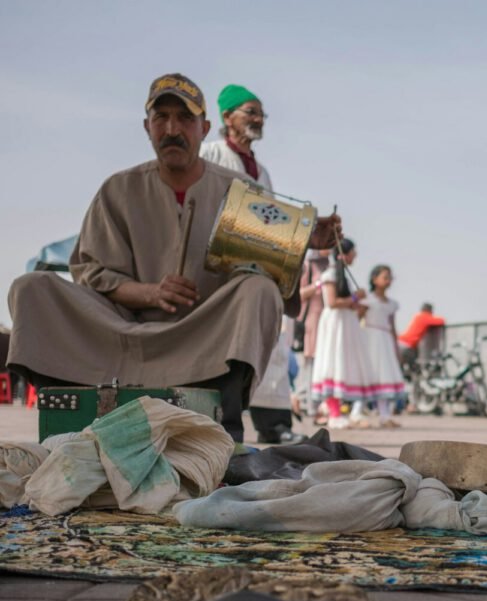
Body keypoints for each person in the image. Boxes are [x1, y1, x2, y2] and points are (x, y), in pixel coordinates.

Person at [5, 73, 338, 444]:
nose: (171, 129)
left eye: (185, 119)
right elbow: (91, 272)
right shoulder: (119, 189)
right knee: (31, 288)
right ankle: (74, 412)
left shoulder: (241, 191)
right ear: (147, 127)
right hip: (120, 331)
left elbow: (273, 270)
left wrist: (304, 241)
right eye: (161, 118)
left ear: (204, 128)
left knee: (258, 288)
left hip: (203, 335)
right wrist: (149, 293)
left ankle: (222, 420)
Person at [200, 83, 297, 444]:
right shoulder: (209, 155)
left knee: (272, 344)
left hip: (257, 268)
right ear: (227, 117)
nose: (257, 119)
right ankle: (221, 426)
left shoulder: (263, 172)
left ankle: (274, 425)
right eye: (250, 112)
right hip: (219, 271)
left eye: (260, 113)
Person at [310, 238, 371, 429]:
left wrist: (357, 304)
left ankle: (340, 411)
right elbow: (333, 302)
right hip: (335, 324)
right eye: (353, 252)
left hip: (346, 324)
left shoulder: (343, 276)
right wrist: (355, 297)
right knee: (333, 364)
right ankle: (333, 413)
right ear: (343, 255)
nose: (355, 255)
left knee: (343, 365)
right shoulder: (330, 274)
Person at [361, 264, 406, 428]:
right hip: (370, 339)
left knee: (384, 376)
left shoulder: (392, 304)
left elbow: (393, 326)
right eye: (385, 277)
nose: (388, 281)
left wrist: (396, 347)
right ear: (375, 279)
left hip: (385, 340)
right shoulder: (367, 300)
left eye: (390, 277)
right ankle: (356, 411)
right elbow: (357, 318)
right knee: (368, 375)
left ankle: (384, 415)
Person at [294, 248, 333, 422]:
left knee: (320, 363)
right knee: (309, 362)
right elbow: (299, 294)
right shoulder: (308, 265)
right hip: (311, 319)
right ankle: (305, 404)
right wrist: (318, 285)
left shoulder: (330, 265)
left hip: (326, 321)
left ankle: (313, 404)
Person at [398, 302, 446, 368]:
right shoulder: (424, 316)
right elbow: (441, 321)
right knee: (413, 365)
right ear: (429, 310)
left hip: (402, 342)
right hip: (407, 344)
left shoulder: (418, 317)